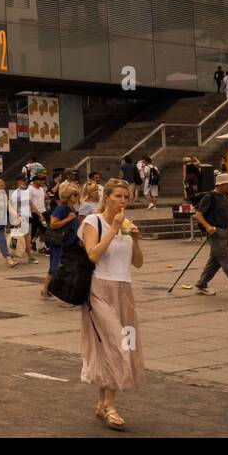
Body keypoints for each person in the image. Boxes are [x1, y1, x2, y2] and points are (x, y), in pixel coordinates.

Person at [79, 178, 144, 429]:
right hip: (99, 288)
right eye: (118, 196)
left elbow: (137, 263)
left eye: (126, 197)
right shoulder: (91, 222)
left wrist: (135, 240)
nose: (123, 201)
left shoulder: (127, 223)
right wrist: (113, 229)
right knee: (117, 344)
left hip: (124, 289)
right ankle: (111, 407)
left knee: (120, 343)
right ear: (106, 198)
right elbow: (93, 254)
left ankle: (101, 403)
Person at [42, 183, 81, 300]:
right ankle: (44, 289)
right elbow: (53, 224)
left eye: (77, 195)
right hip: (60, 243)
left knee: (67, 266)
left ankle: (59, 289)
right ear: (68, 196)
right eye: (75, 195)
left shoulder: (70, 207)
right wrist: (68, 219)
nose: (77, 197)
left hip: (69, 243)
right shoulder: (62, 208)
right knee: (55, 266)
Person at [9, 175, 34, 264]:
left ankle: (11, 255)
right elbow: (14, 207)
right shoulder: (16, 194)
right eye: (22, 181)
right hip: (20, 217)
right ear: (18, 182)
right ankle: (29, 257)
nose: (24, 182)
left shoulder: (26, 192)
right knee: (24, 236)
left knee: (18, 236)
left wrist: (38, 214)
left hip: (26, 216)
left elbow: (30, 203)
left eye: (25, 181)